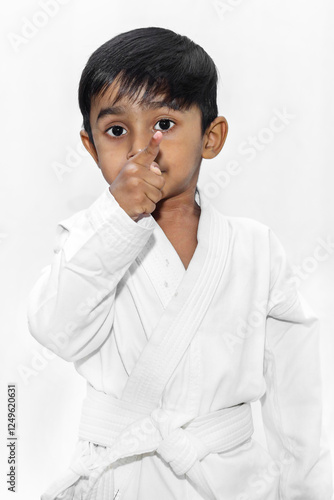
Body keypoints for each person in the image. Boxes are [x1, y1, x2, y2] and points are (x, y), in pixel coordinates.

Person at [27, 26, 333, 500]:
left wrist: (305, 490)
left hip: (230, 481)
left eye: (164, 124)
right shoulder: (87, 242)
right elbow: (56, 330)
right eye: (116, 130)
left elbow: (297, 398)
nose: (140, 149)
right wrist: (114, 220)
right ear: (91, 147)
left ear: (211, 138)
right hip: (121, 478)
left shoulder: (256, 249)